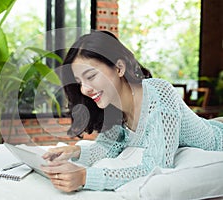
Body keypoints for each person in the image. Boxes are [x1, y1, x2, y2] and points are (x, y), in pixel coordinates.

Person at [41, 30, 223, 192]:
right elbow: (107, 147)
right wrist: (73, 152)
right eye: (80, 82)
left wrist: (85, 177)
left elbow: (155, 167)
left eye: (91, 76)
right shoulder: (112, 106)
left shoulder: (159, 93)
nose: (84, 89)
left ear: (119, 68)